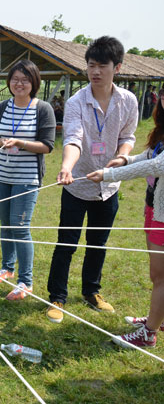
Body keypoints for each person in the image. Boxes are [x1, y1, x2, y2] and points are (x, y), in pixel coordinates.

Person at [46, 36, 139, 324]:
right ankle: (57, 297)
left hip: (109, 185)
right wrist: (66, 167)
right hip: (78, 184)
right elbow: (73, 138)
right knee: (67, 243)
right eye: (91, 65)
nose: (95, 71)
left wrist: (122, 158)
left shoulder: (128, 101)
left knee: (98, 243)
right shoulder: (76, 102)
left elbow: (128, 138)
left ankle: (91, 292)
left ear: (117, 67)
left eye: (102, 65)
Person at [86, 88, 164, 348]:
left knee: (160, 275)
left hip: (163, 215)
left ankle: (149, 333)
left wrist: (109, 175)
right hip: (155, 208)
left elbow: (157, 166)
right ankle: (158, 318)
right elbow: (151, 157)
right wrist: (125, 159)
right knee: (159, 275)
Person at [0, 60, 56, 300]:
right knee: (6, 223)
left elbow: (47, 146)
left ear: (34, 83)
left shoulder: (43, 108)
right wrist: (2, 141)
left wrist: (21, 143)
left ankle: (26, 281)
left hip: (27, 178)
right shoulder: (0, 108)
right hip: (0, 176)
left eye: (25, 80)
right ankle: (7, 267)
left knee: (20, 227)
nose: (19, 84)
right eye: (15, 79)